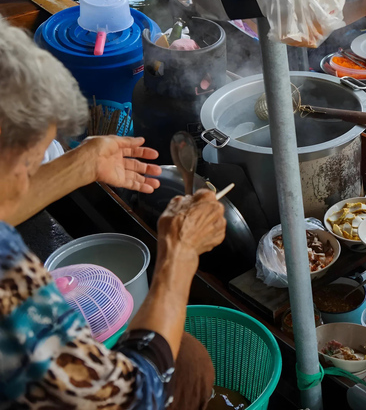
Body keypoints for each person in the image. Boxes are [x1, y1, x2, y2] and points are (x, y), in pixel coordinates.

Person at [0, 21, 226, 409]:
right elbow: (133, 398)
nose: (29, 179)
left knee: (185, 357)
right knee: (188, 364)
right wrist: (179, 256)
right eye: (29, 165)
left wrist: (82, 164)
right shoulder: (9, 283)